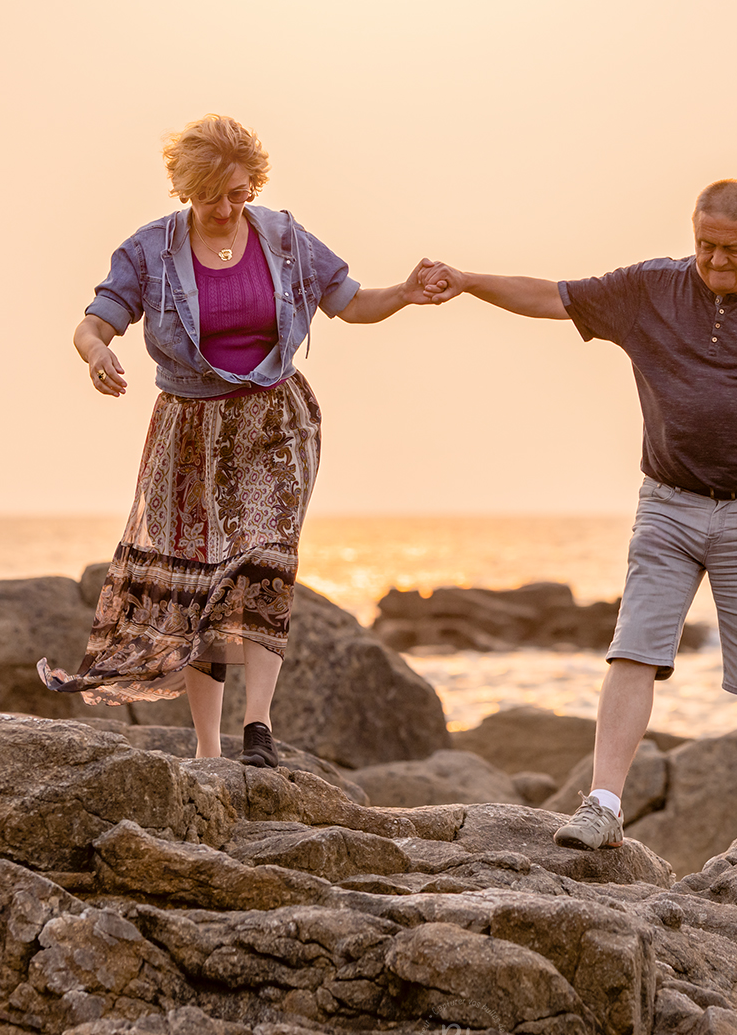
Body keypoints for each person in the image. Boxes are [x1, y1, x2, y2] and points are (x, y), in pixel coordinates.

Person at [420, 179, 737, 865]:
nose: (715, 261)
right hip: (668, 504)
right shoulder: (651, 288)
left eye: (731, 249)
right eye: (704, 246)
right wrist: (468, 280)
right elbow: (551, 296)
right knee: (634, 648)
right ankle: (603, 803)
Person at [38, 114, 439, 768]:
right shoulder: (150, 250)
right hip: (189, 434)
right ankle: (205, 748)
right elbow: (94, 322)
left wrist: (406, 294)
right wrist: (94, 356)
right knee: (199, 586)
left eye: (239, 192)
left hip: (276, 423)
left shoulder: (283, 240)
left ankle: (257, 728)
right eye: (211, 196)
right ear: (184, 191)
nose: (227, 208)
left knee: (264, 562)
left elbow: (350, 302)